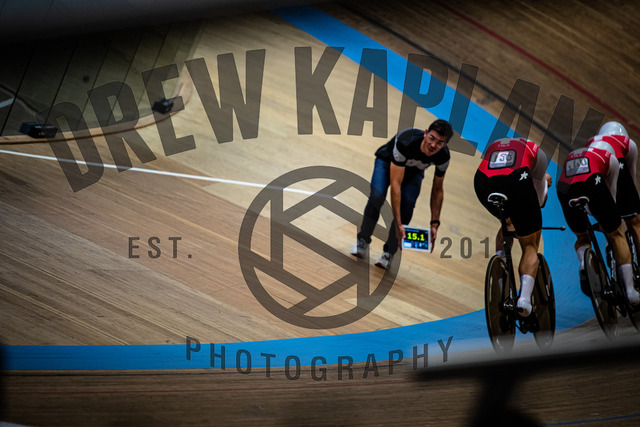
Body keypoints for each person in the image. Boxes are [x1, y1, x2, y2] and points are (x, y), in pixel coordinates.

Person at [351, 119, 453, 269]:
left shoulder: (443, 157)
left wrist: (435, 223)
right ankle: (362, 240)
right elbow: (396, 185)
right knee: (377, 196)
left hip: (414, 172)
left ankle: (389, 252)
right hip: (387, 164)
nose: (433, 145)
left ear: (444, 145)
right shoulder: (406, 141)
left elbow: (437, 190)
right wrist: (399, 223)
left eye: (439, 143)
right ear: (425, 133)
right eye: (432, 138)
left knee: (408, 204)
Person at [474, 137, 552, 317]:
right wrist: (545, 186)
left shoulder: (496, 145)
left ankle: (501, 268)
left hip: (482, 184)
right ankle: (524, 300)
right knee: (530, 243)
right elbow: (539, 200)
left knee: (507, 221)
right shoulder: (538, 153)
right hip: (517, 181)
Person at [557, 141, 640, 305]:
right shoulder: (610, 158)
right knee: (616, 234)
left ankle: (583, 263)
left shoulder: (576, 155)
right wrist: (609, 220)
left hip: (564, 189)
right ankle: (630, 291)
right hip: (592, 182)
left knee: (582, 236)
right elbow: (612, 194)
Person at [586, 121, 640, 261]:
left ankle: (609, 243)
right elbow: (631, 176)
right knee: (635, 222)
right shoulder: (627, 142)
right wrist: (632, 205)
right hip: (616, 166)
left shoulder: (590, 141)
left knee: (610, 222)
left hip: (593, 173)